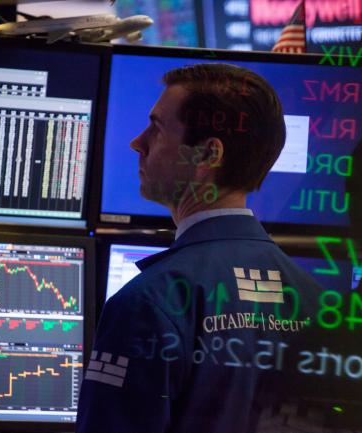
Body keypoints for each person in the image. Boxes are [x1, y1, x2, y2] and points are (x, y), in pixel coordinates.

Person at [76, 63, 322, 433]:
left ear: (208, 155)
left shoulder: (147, 304)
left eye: (156, 130)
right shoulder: (315, 301)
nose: (138, 143)